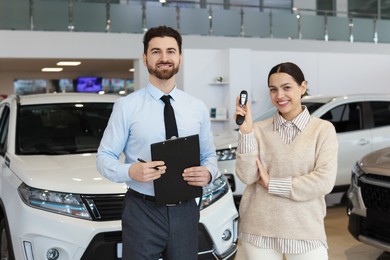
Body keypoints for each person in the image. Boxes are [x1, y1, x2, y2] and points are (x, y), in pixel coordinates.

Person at [96, 25, 219, 260]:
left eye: (171, 51)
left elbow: (208, 156)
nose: (164, 58)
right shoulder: (127, 106)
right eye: (156, 52)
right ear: (145, 58)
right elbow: (104, 158)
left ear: (180, 57)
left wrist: (209, 174)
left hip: (186, 210)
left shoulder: (197, 107)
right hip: (142, 209)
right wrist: (131, 170)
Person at [234, 62, 338, 260]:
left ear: (303, 87)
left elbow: (323, 181)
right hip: (259, 229)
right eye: (273, 90)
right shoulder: (257, 130)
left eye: (287, 87)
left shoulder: (323, 130)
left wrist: (273, 184)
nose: (279, 95)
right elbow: (247, 176)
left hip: (305, 229)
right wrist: (246, 133)